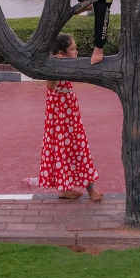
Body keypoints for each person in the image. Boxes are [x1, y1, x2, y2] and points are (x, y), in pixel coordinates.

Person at [38, 33, 102, 201]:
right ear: (61, 53)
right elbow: (50, 85)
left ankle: (68, 189)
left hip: (70, 119)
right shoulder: (55, 69)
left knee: (74, 150)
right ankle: (85, 189)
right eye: (73, 49)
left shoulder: (67, 67)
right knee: (70, 150)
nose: (76, 52)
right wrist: (57, 65)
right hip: (60, 121)